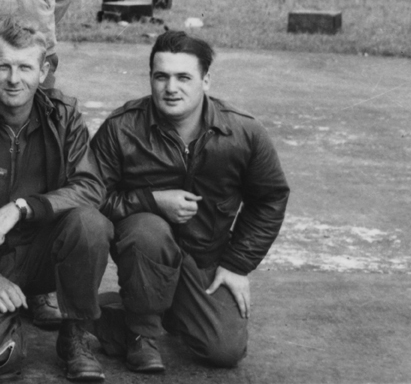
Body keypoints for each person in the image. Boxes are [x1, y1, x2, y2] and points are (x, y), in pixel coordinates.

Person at [89, 31, 290, 373]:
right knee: (147, 228)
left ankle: (110, 311)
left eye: (184, 77)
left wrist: (238, 263)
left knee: (224, 350)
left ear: (206, 80)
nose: (171, 88)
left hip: (205, 258)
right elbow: (91, 196)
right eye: (161, 76)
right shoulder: (121, 128)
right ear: (151, 78)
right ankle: (142, 335)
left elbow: (270, 198)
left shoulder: (242, 132)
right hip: (145, 252)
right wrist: (151, 201)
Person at [0, 19, 109, 382]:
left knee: (90, 223)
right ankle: (4, 326)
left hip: (44, 250)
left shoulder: (64, 116)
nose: (14, 79)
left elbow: (90, 186)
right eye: (4, 66)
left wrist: (22, 207)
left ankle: (76, 333)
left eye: (25, 67)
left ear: (44, 71)